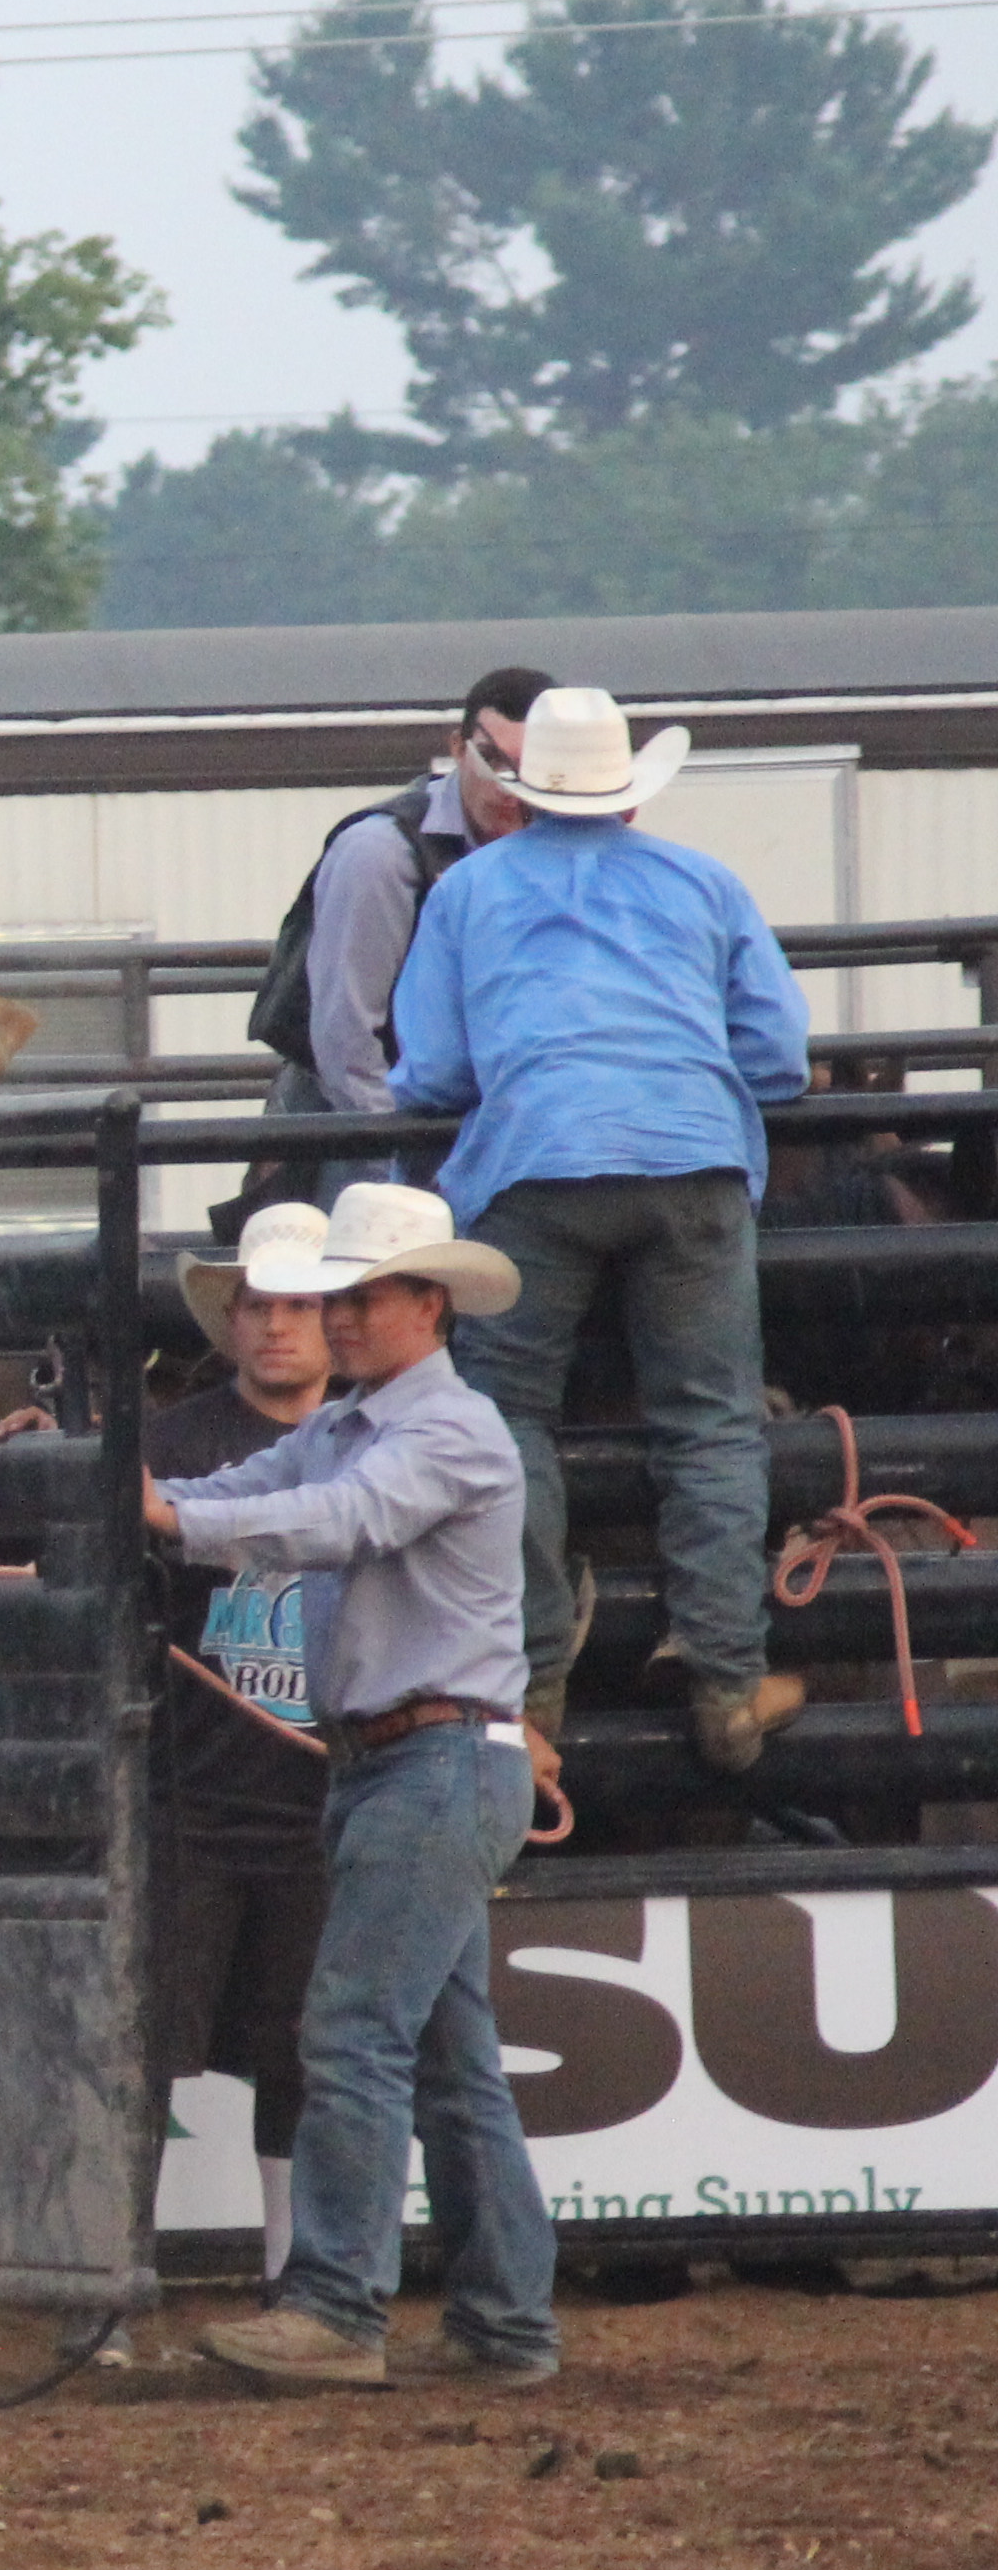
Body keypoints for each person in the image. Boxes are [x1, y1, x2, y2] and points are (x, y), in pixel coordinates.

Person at [149, 1185, 559, 2392]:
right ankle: (504, 2318)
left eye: (359, 1296)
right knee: (442, 2057)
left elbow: (333, 1522)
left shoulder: (445, 1434)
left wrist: (168, 1516)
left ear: (426, 1304)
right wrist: (162, 1502)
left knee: (354, 2029)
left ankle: (336, 2304)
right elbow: (264, 1489)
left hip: (426, 1762)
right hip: (413, 1761)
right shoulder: (365, 1426)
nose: (337, 1316)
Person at [388, 684, 816, 1777]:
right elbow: (776, 1058)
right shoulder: (704, 882)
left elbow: (430, 1073)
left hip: (536, 1164)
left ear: (523, 796)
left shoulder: (472, 890)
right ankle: (727, 1683)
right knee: (712, 1422)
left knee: (503, 1418)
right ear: (633, 797)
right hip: (692, 1164)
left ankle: (532, 1682)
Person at [137, 1215, 346, 2289]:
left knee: (302, 2051)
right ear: (232, 1320)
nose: (277, 1325)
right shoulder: (170, 1445)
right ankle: (120, 2283)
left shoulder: (370, 1439)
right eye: (260, 1305)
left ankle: (293, 2277)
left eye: (300, 1305)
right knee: (147, 2048)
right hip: (196, 1796)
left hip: (322, 1799)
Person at [235, 665, 545, 1208]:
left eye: (529, 766)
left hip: (477, 1133)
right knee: (348, 1284)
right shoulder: (381, 852)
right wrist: (402, 1162)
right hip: (353, 1126)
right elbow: (346, 1040)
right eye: (491, 759)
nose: (506, 784)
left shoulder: (549, 845)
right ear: (456, 748)